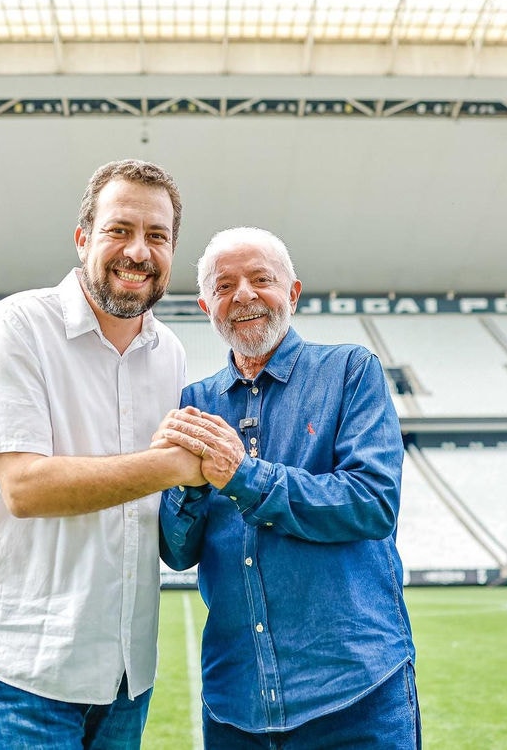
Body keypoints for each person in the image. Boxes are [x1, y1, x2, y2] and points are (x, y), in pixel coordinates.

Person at [0, 159, 207, 748]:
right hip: (26, 670)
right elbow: (25, 488)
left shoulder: (169, 352)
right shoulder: (18, 326)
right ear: (83, 238)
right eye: (119, 230)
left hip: (125, 673)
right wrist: (175, 465)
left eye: (157, 236)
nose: (138, 252)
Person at [158, 226, 420, 749]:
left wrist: (242, 476)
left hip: (354, 695)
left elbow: (371, 503)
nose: (244, 296)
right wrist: (185, 488)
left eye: (261, 279)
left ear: (293, 293)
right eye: (225, 285)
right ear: (206, 304)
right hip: (237, 703)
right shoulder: (192, 402)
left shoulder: (350, 371)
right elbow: (178, 551)